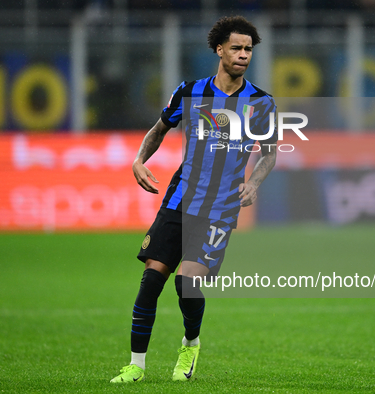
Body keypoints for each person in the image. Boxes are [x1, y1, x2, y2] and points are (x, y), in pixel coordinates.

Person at [111, 15, 277, 383]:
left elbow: (269, 153)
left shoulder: (261, 103)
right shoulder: (190, 92)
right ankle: (136, 367)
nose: (243, 55)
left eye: (248, 49)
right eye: (236, 47)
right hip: (180, 201)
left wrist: (254, 183)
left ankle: (191, 343)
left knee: (186, 282)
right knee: (151, 279)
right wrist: (139, 160)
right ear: (219, 49)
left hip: (220, 207)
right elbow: (159, 129)